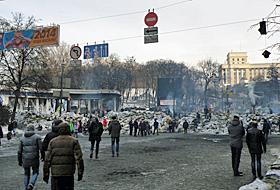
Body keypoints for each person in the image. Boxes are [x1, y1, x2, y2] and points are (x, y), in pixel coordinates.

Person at [43, 123, 84, 190]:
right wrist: (80, 172)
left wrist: (46, 173)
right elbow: (79, 158)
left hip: (56, 174)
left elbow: (47, 159)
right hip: (68, 173)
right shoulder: (74, 141)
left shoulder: (53, 142)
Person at [18, 125, 44, 190]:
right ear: (33, 129)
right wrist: (43, 156)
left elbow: (19, 151)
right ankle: (31, 184)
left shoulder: (22, 138)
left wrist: (19, 160)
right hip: (34, 158)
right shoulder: (37, 137)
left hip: (25, 159)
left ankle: (26, 188)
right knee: (35, 172)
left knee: (26, 174)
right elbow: (41, 148)